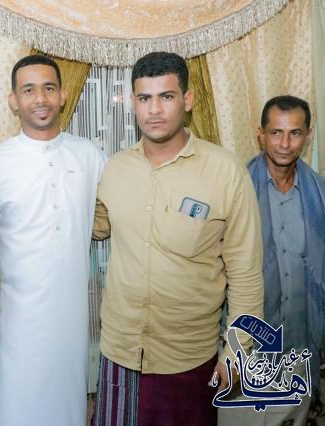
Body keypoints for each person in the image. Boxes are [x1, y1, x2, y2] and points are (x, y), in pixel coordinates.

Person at [92, 51, 264, 426]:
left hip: (188, 360)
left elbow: (247, 274)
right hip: (120, 352)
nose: (154, 109)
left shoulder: (225, 172)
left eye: (166, 96)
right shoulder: (115, 169)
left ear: (187, 100)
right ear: (133, 102)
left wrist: (237, 353)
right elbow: (91, 226)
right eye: (145, 98)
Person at [0, 54, 106, 426]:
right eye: (29, 90)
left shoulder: (89, 156)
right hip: (13, 321)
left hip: (70, 319)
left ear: (63, 95)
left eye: (49, 88)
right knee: (11, 408)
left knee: (65, 408)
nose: (40, 99)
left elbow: (111, 217)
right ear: (13, 100)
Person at [218, 96, 325, 426]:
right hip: (248, 346)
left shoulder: (319, 194)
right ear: (260, 134)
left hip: (300, 343)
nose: (285, 143)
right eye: (276, 132)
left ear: (307, 136)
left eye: (295, 133)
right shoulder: (235, 189)